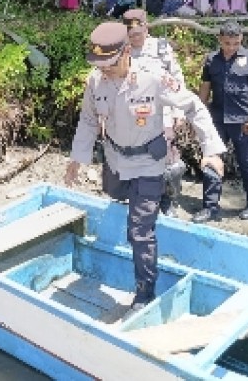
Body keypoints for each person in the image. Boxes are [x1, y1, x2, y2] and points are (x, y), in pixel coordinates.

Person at [64, 22, 225, 310]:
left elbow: (194, 108)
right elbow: (88, 120)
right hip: (114, 159)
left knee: (139, 231)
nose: (104, 70)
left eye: (109, 64)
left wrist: (211, 150)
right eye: (99, 64)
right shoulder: (95, 81)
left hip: (149, 162)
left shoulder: (154, 78)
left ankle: (145, 292)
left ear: (127, 52)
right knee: (114, 193)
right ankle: (156, 196)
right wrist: (77, 157)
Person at [122, 9, 189, 216]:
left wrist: (179, 110)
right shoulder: (122, 51)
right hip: (134, 115)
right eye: (130, 34)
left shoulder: (161, 48)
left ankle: (169, 200)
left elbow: (177, 79)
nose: (134, 37)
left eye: (137, 33)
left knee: (168, 161)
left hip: (162, 113)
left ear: (146, 27)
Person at [197, 21, 248, 222]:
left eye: (235, 43)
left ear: (241, 39)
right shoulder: (211, 60)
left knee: (246, 162)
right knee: (212, 161)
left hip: (242, 120)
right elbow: (205, 89)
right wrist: (199, 114)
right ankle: (210, 207)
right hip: (217, 119)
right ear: (220, 39)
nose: (231, 47)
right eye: (227, 43)